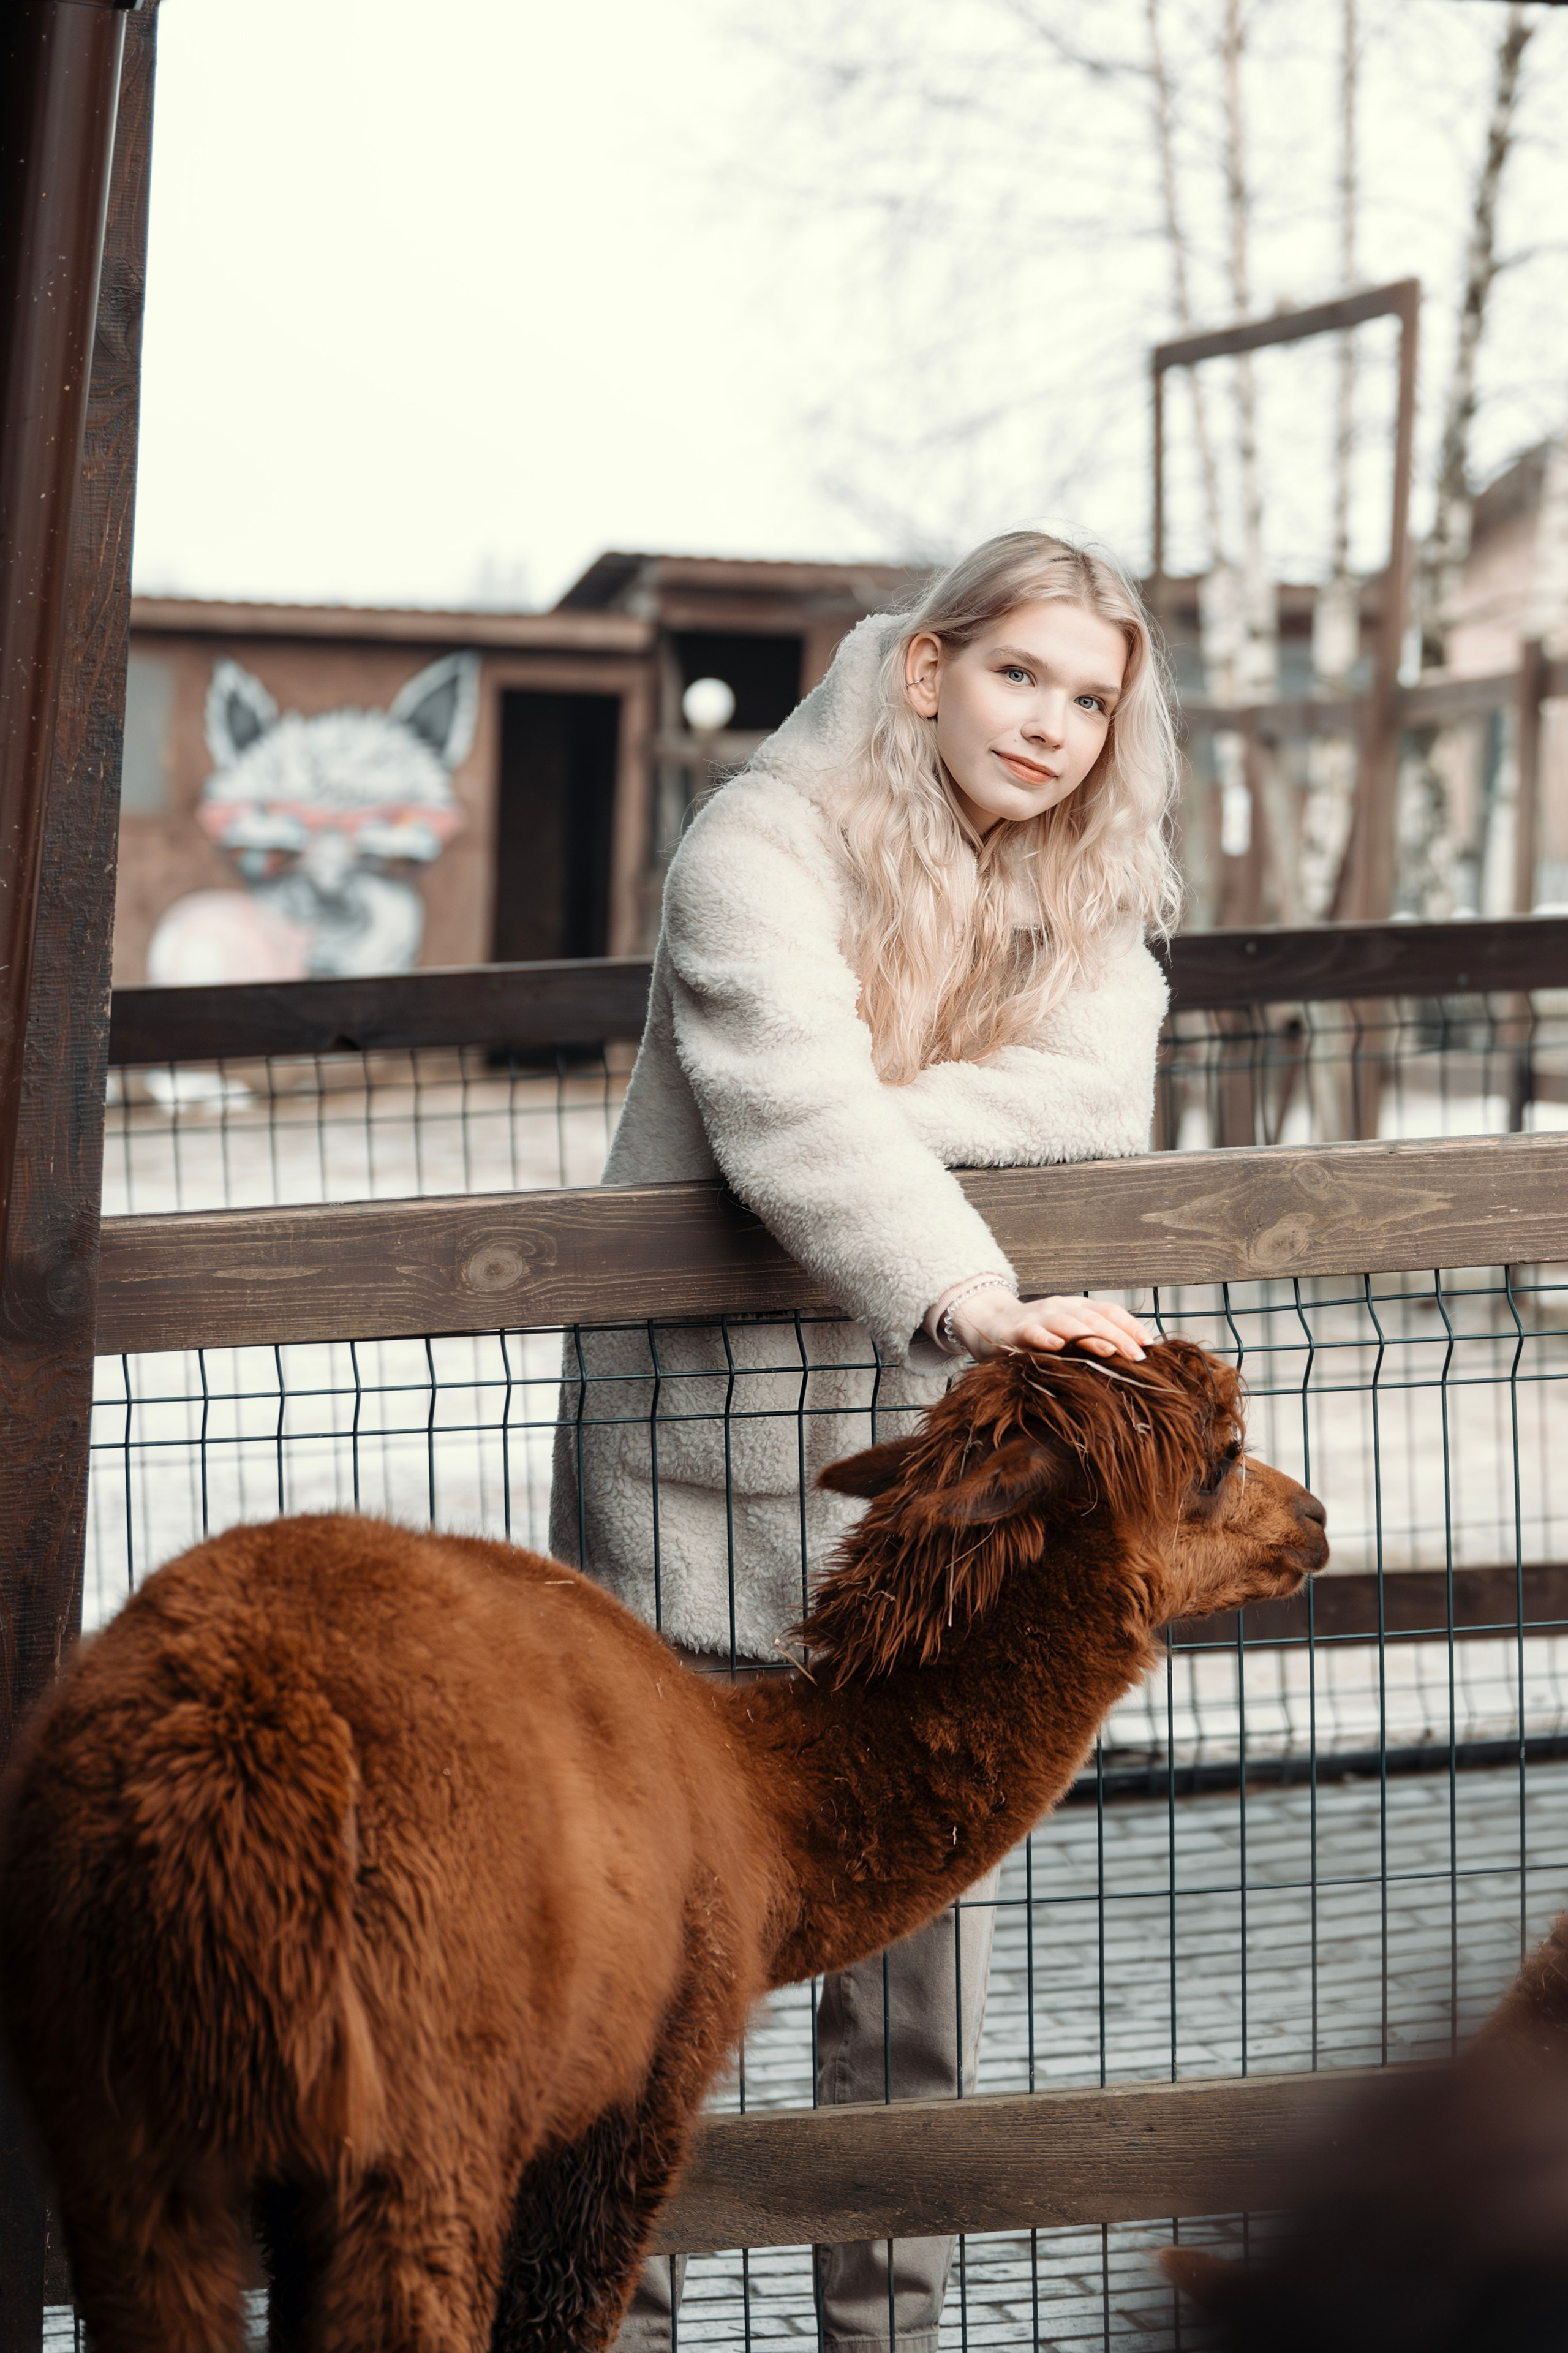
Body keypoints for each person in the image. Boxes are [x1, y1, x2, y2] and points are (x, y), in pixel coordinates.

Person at [549, 529, 1181, 2353]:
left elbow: (1091, 1090)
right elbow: (782, 1097)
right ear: (926, 668)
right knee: (641, 1962)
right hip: (695, 1481)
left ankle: (881, 2340)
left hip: (928, 1515)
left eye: (1090, 698)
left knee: (914, 1973)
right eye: (1020, 675)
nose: (1055, 726)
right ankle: (612, 2331)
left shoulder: (1087, 888)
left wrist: (857, 1114)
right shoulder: (760, 842)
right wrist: (963, 1270)